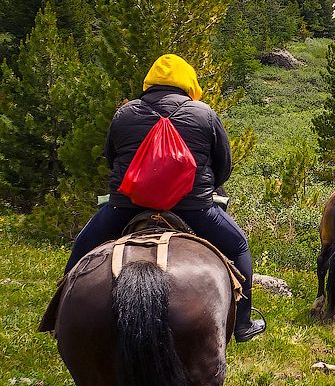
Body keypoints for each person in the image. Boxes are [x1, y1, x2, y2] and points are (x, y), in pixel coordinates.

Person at [64, 54, 266, 342]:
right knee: (238, 245)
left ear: (150, 82)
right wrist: (203, 190)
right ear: (188, 83)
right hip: (193, 208)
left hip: (126, 205)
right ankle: (243, 323)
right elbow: (223, 166)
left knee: (83, 247)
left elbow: (112, 158)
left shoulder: (125, 113)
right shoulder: (204, 114)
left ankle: (62, 315)